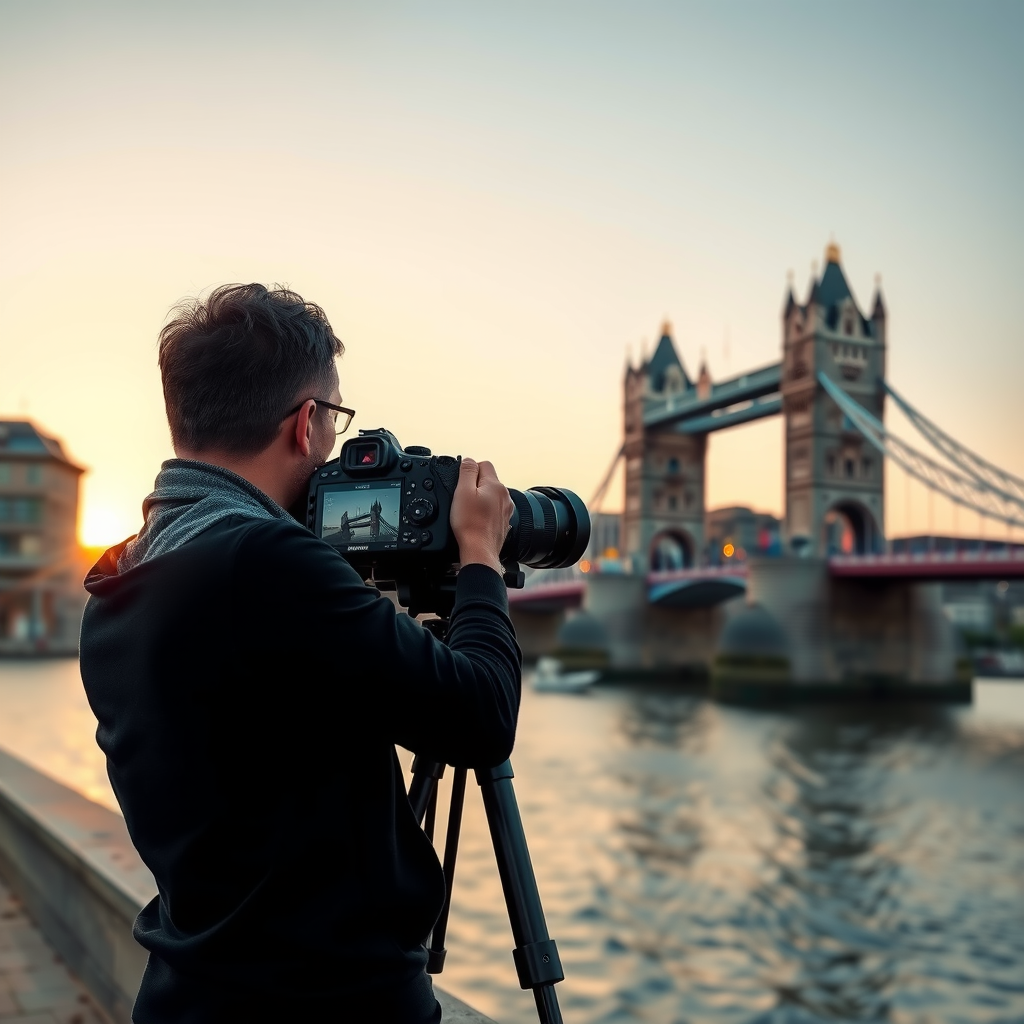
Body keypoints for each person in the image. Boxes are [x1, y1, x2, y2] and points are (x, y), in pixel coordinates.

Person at [79, 283, 521, 1023]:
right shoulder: (266, 562)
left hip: (187, 996)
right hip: (332, 1003)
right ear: (307, 423)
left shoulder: (119, 583)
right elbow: (480, 716)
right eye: (334, 421)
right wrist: (479, 553)